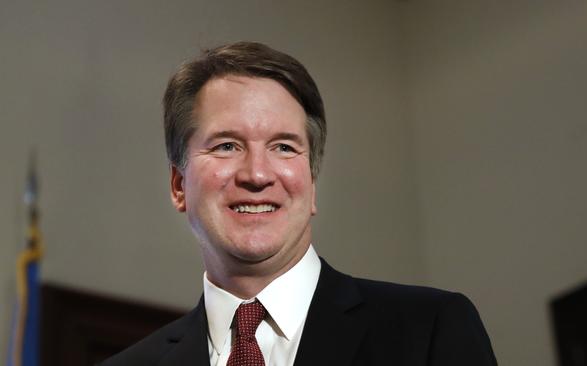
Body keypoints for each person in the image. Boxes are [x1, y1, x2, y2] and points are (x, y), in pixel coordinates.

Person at [101, 41, 497, 366]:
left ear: (311, 183)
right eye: (226, 145)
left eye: (283, 147)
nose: (257, 174)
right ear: (178, 185)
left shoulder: (429, 329)